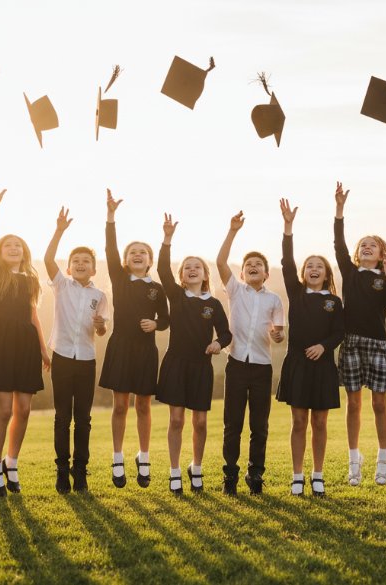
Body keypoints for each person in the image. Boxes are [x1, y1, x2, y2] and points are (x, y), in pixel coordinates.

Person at [0, 179, 51, 497]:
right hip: (1, 343)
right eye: (8, 245)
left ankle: (12, 462)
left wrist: (43, 348)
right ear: (0, 252)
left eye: (17, 245)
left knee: (24, 409)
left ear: (24, 251)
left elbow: (33, 314)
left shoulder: (31, 278)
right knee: (4, 410)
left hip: (26, 345)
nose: (13, 248)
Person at [99, 189, 170, 488]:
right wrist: (111, 216)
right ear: (127, 261)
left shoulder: (157, 288)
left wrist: (155, 325)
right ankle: (118, 458)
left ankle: (143, 457)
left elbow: (166, 320)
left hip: (145, 351)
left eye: (143, 252)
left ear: (150, 260)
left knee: (143, 406)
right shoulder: (118, 278)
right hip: (120, 347)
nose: (137, 255)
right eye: (133, 252)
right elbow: (110, 249)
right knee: (119, 406)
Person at [156, 213, 232, 494]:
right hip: (176, 364)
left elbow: (226, 333)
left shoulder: (213, 303)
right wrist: (167, 239)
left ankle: (195, 468)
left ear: (204, 274)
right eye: (187, 267)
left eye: (196, 266)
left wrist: (217, 344)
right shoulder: (176, 296)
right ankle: (175, 471)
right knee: (176, 420)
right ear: (181, 276)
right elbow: (163, 269)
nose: (191, 269)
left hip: (201, 367)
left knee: (199, 421)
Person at [332, 181, 386, 486]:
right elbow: (338, 244)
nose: (366, 247)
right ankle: (354, 461)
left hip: (377, 345)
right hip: (351, 344)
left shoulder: (383, 278)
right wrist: (339, 210)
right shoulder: (350, 272)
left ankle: (382, 460)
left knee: (379, 404)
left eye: (372, 245)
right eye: (363, 245)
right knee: (354, 403)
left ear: (382, 253)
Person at [276, 198, 345, 497]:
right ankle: (297, 475)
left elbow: (340, 331)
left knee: (320, 421)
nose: (314, 269)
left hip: (323, 365)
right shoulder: (296, 292)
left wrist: (324, 346)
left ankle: (318, 475)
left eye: (319, 267)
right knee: (299, 421)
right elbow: (286, 263)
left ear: (327, 275)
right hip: (298, 365)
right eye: (310, 266)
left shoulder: (334, 301)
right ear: (304, 274)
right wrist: (288, 228)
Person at [216, 211, 285, 495]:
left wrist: (278, 335)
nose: (253, 266)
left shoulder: (274, 299)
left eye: (259, 264)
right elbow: (220, 262)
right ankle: (230, 475)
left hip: (261, 367)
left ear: (267, 274)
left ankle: (255, 473)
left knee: (260, 425)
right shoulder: (235, 291)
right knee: (233, 424)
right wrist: (232, 231)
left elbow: (279, 335)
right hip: (236, 364)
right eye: (248, 265)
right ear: (242, 273)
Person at [43, 207, 109, 494]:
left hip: (86, 360)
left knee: (83, 418)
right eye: (76, 261)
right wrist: (59, 231)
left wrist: (100, 326)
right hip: (61, 357)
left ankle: (80, 471)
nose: (81, 264)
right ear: (68, 268)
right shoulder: (62, 285)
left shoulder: (100, 296)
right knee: (62, 417)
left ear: (94, 269)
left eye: (86, 261)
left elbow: (103, 330)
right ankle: (61, 469)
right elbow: (47, 258)